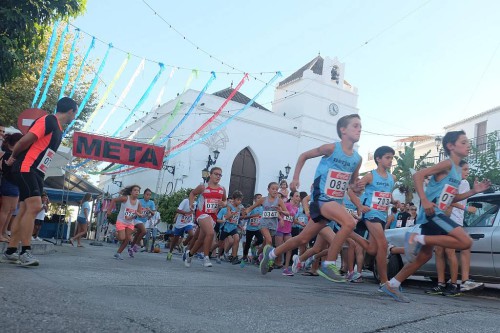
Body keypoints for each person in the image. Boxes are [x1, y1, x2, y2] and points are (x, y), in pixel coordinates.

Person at [381, 130, 491, 302]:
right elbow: (418, 175)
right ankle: (418, 238)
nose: (468, 145)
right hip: (433, 213)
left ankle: (392, 284)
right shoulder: (447, 164)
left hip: (435, 214)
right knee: (466, 241)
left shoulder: (455, 170)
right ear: (450, 146)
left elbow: (451, 198)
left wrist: (472, 191)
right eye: (463, 142)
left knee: (424, 256)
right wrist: (424, 200)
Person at [261, 114, 362, 282]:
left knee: (303, 238)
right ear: (343, 130)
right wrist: (295, 178)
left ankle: (271, 253)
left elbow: (351, 184)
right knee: (349, 223)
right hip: (321, 198)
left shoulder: (357, 159)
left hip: (335, 203)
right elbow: (304, 156)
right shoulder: (331, 148)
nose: (359, 129)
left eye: (360, 126)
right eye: (355, 126)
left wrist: (356, 188)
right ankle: (328, 263)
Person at [3, 97, 78, 266]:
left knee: (23, 210)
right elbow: (24, 140)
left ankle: (11, 250)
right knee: (35, 206)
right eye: (75, 112)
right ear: (71, 111)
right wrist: (12, 158)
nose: (75, 116)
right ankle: (25, 252)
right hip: (27, 167)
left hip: (37, 171)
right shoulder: (48, 120)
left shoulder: (57, 128)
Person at [349, 146, 397, 289]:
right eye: (387, 157)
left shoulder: (392, 178)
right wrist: (360, 206)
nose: (390, 161)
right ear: (378, 159)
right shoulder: (370, 176)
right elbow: (351, 191)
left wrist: (395, 202)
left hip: (382, 215)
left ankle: (350, 233)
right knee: (383, 244)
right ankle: (384, 281)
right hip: (371, 214)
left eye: (392, 158)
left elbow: (387, 194)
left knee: (372, 250)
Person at [184, 167, 227, 268]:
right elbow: (192, 193)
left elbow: (225, 200)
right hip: (202, 213)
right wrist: (191, 203)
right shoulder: (203, 187)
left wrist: (223, 203)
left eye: (220, 175)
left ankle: (189, 255)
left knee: (201, 239)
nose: (218, 176)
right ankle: (206, 257)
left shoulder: (222, 189)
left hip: (213, 216)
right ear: (210, 175)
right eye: (216, 174)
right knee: (211, 233)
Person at [245, 182, 289, 270]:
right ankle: (268, 262)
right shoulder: (263, 199)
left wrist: (281, 211)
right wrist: (247, 210)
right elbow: (252, 207)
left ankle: (257, 254)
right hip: (264, 223)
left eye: (276, 189)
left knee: (265, 243)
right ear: (268, 189)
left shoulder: (279, 201)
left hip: (273, 225)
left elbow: (287, 213)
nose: (275, 191)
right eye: (273, 189)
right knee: (269, 240)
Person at [107, 185, 143, 260]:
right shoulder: (126, 198)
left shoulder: (138, 202)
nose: (137, 192)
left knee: (127, 238)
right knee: (122, 238)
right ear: (131, 192)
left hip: (130, 222)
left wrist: (139, 214)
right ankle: (114, 233)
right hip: (121, 221)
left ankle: (118, 253)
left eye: (138, 191)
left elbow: (140, 213)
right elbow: (114, 200)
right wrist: (109, 210)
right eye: (135, 190)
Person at [0, 133, 23, 242]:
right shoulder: (9, 154)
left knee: (11, 210)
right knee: (6, 210)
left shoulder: (14, 154)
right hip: (9, 183)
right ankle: (0, 233)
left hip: (14, 184)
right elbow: (5, 169)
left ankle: (4, 232)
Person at [276, 190, 300, 276]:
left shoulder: (296, 208)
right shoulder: (286, 205)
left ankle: (285, 268)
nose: (298, 198)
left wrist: (300, 223)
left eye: (299, 196)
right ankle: (268, 261)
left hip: (288, 230)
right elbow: (277, 212)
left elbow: (292, 219)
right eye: (297, 196)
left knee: (289, 247)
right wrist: (281, 219)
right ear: (292, 197)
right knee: (278, 249)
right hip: (280, 228)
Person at [217, 190, 245, 264]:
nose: (239, 202)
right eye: (238, 200)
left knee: (236, 238)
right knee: (221, 243)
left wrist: (243, 212)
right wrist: (235, 212)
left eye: (240, 200)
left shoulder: (240, 206)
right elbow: (228, 217)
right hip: (226, 227)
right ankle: (218, 255)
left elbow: (243, 216)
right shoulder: (229, 206)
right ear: (234, 199)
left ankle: (234, 256)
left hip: (233, 227)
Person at [167, 196, 194, 260]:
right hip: (180, 223)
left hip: (188, 222)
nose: (194, 198)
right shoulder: (185, 201)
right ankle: (170, 252)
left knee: (192, 234)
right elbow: (178, 210)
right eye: (194, 195)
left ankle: (184, 244)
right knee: (175, 239)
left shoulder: (196, 203)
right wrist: (185, 213)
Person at [129, 188, 155, 255]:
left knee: (137, 235)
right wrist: (138, 213)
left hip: (144, 221)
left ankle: (131, 248)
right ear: (144, 195)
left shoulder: (151, 203)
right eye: (147, 194)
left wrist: (149, 210)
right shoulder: (139, 201)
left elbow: (153, 213)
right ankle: (136, 245)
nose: (148, 196)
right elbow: (134, 210)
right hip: (137, 219)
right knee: (144, 231)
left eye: (149, 195)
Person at [242, 194, 264, 263]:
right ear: (254, 200)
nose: (259, 199)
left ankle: (253, 245)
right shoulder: (252, 208)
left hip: (258, 228)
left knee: (261, 240)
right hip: (250, 228)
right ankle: (244, 256)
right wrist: (253, 216)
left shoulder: (263, 208)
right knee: (247, 243)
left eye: (261, 198)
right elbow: (245, 217)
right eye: (258, 198)